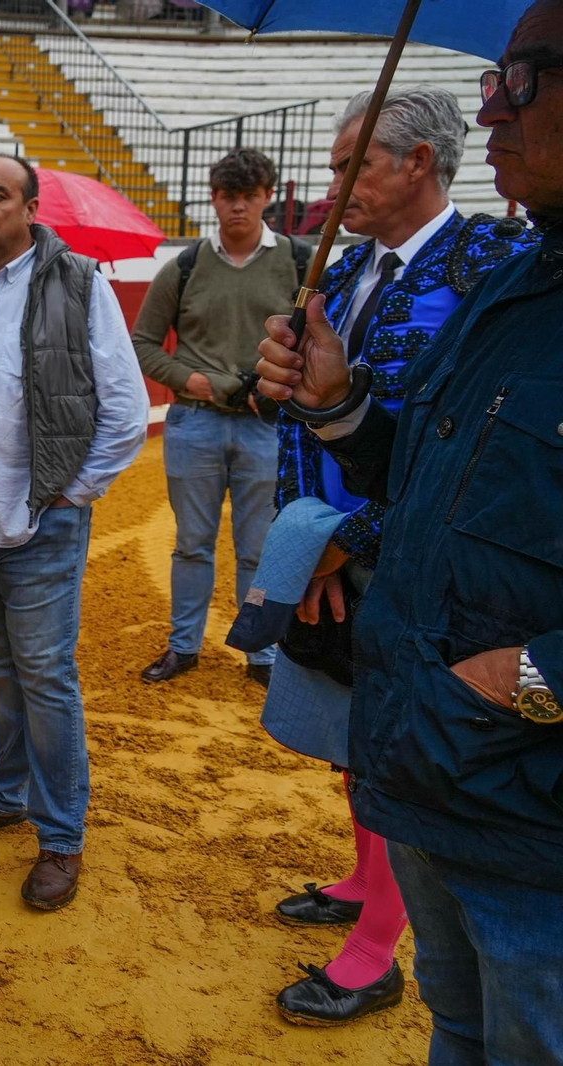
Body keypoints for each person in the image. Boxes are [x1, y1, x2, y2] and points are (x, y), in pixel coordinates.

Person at [256, 4, 563, 1057]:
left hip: (528, 784)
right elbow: (438, 469)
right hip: (433, 733)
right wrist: (336, 410)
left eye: (520, 78)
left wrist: (531, 681)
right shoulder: (521, 282)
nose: (492, 102)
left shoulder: (483, 262)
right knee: (463, 1023)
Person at [0, 154, 149, 910]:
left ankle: (62, 834)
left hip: (40, 519)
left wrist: (71, 494)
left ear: (30, 207)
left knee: (45, 676)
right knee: (0, 669)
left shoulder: (79, 283)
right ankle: (8, 791)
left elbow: (124, 407)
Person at [132, 148, 305, 688]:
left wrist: (280, 387)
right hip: (197, 419)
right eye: (229, 196)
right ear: (214, 199)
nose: (238, 208)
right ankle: (185, 646)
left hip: (264, 423)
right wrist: (195, 381)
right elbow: (142, 343)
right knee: (192, 543)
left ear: (268, 197)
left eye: (249, 196)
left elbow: (322, 340)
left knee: (259, 545)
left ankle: (262, 652)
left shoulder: (299, 262)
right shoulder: (183, 266)